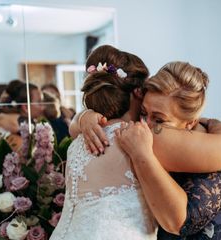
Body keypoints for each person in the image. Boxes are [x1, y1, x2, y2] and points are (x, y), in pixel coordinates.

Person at [115, 61, 221, 239]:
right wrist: (85, 118)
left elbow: (178, 223)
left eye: (159, 120)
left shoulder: (215, 154)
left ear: (190, 123)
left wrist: (142, 154)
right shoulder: (152, 138)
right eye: (143, 113)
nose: (145, 125)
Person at [50, 45, 157, 240]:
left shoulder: (77, 144)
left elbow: (73, 127)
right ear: (138, 92)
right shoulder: (142, 139)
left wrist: (82, 117)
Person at [0, 80, 43, 158]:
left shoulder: (7, 120)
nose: (43, 107)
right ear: (25, 107)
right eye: (39, 102)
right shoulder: (15, 131)